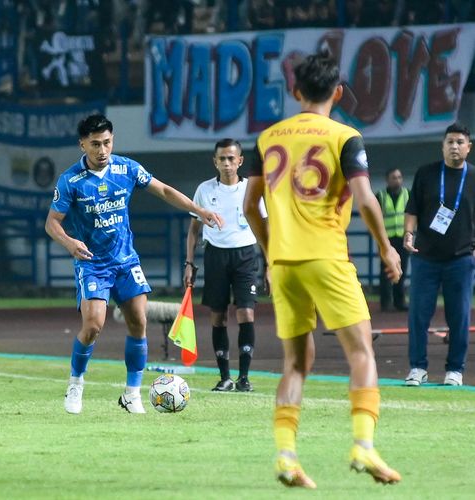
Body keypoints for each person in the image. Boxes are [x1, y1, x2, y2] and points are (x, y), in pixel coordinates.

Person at [243, 53, 403, 489]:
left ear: (296, 92)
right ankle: (363, 446)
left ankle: (286, 457)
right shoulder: (345, 137)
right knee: (361, 354)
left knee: (295, 364)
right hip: (327, 257)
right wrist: (387, 250)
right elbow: (366, 199)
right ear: (337, 92)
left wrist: (272, 252)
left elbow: (249, 207)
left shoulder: (267, 137)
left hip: (285, 263)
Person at [45, 114, 224, 415]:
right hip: (92, 263)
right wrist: (70, 243)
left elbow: (164, 190)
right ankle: (76, 384)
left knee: (139, 322)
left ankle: (132, 394)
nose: (102, 150)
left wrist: (197, 210)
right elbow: (52, 223)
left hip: (125, 260)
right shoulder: (70, 181)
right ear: (82, 145)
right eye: (95, 145)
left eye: (107, 143)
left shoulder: (127, 168)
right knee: (93, 325)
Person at [184, 138, 267, 393]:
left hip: (245, 256)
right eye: (222, 158)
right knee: (218, 317)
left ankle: (244, 378)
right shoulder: (204, 190)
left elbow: (265, 228)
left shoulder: (251, 189)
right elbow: (194, 230)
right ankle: (224, 378)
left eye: (232, 158)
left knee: (246, 313)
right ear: (215, 161)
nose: (227, 163)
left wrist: (270, 264)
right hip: (215, 256)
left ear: (240, 161)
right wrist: (189, 263)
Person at [403, 123, 475, 388]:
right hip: (425, 258)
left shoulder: (474, 177)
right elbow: (412, 210)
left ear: (469, 147)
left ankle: (455, 369)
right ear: (442, 146)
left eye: (459, 142)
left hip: (461, 259)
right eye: (449, 142)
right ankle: (417, 368)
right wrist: (408, 234)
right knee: (418, 315)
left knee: (459, 317)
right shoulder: (426, 174)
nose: (454, 146)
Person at [376, 167, 409, 312]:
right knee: (385, 272)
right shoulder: (380, 196)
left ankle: (399, 302)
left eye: (399, 177)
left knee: (402, 270)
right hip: (387, 239)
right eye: (394, 177)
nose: (397, 180)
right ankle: (385, 303)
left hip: (402, 238)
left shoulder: (408, 194)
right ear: (387, 180)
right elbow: (375, 217)